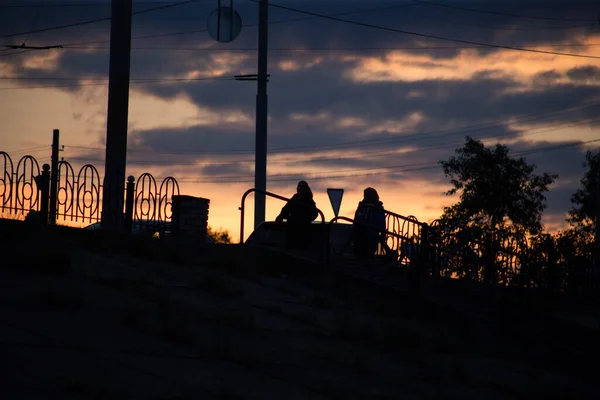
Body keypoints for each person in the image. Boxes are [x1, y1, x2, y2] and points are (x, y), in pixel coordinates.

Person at [275, 180, 319, 250]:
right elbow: (286, 208)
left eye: (301, 187)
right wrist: (281, 216)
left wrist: (304, 220)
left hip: (303, 231)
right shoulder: (295, 198)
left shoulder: (309, 201)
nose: (299, 188)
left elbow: (314, 214)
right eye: (298, 186)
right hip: (291, 229)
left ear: (306, 189)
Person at [352, 187, 387, 259]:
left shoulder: (374, 207)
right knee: (362, 254)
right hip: (362, 234)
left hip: (368, 235)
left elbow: (381, 223)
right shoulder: (363, 206)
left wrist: (382, 234)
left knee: (365, 255)